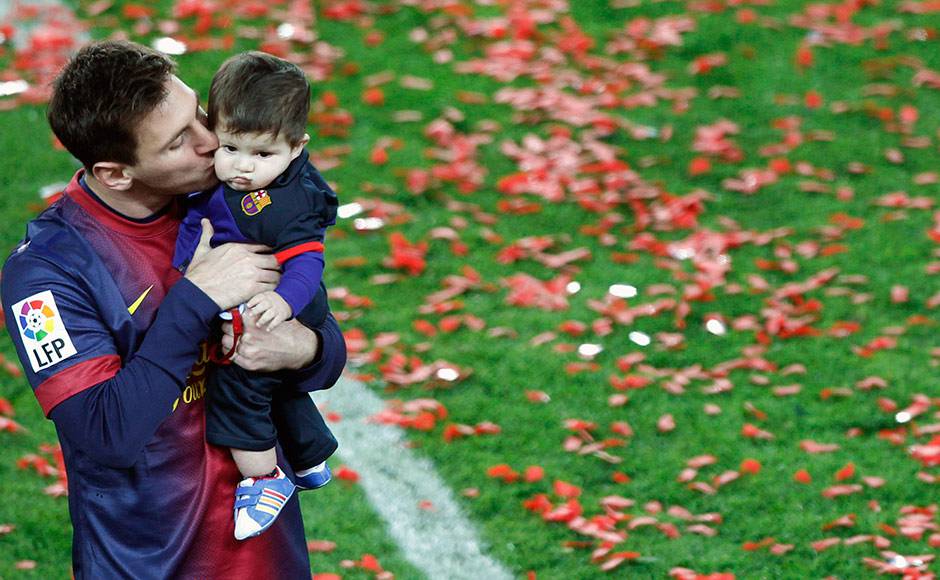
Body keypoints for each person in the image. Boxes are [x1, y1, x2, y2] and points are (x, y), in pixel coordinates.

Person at [0, 40, 346, 578]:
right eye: (179, 140)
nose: (213, 142)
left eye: (199, 115)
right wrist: (195, 300)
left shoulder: (229, 199)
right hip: (150, 563)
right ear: (116, 173)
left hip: (270, 557)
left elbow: (324, 349)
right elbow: (106, 434)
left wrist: (305, 347)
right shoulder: (46, 274)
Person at [172, 51, 339, 540]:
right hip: (244, 289)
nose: (242, 168)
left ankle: (264, 478)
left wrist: (285, 303)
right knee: (279, 387)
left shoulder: (290, 201)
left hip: (282, 298)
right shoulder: (226, 182)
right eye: (230, 148)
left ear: (296, 147)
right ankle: (309, 456)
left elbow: (308, 261)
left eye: (261, 155)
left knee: (239, 385)